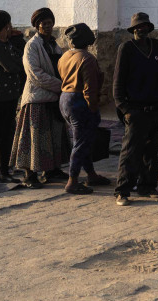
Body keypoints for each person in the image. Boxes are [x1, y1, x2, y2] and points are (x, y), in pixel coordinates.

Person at [114, 12, 158, 204]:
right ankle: (123, 190)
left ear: (149, 28)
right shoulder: (126, 48)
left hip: (156, 107)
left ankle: (147, 186)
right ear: (133, 30)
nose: (141, 30)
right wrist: (125, 109)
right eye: (137, 27)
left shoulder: (157, 46)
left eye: (144, 27)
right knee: (130, 151)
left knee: (151, 150)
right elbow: (118, 83)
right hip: (135, 109)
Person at [12, 8, 68, 188]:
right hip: (36, 98)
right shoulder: (32, 46)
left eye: (50, 23)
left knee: (53, 136)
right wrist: (61, 86)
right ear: (37, 26)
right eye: (44, 23)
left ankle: (51, 171)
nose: (47, 26)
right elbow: (35, 74)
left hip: (52, 98)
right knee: (33, 138)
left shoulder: (54, 45)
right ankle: (29, 174)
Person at [58, 23, 110, 195]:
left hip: (65, 99)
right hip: (79, 101)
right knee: (80, 142)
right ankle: (72, 181)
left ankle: (91, 174)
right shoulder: (87, 59)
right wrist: (93, 107)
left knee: (82, 139)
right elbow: (90, 88)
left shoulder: (65, 56)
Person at [0, 10, 26, 183]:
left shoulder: (7, 43)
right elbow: (12, 66)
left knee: (8, 134)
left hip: (10, 95)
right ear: (5, 26)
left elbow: (20, 61)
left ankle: (4, 170)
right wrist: (18, 62)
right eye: (9, 24)